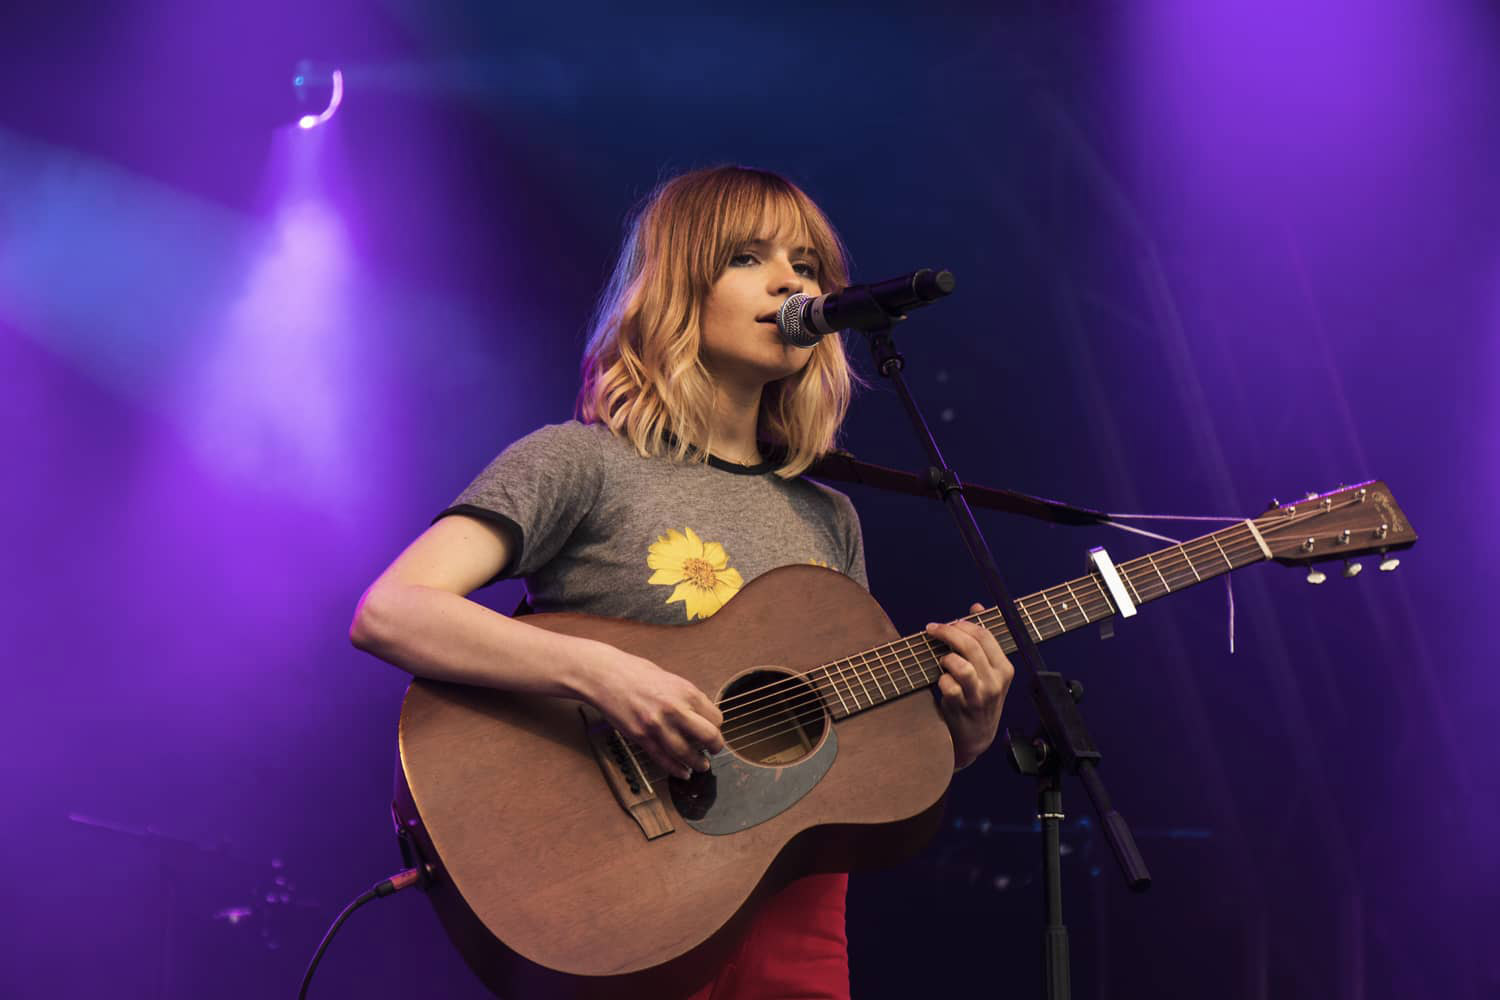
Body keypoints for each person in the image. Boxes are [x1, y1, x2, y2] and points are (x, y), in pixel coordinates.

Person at [349, 164, 1015, 999]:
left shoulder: (829, 517)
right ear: (675, 288)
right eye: (748, 257)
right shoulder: (581, 462)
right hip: (629, 896)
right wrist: (605, 674)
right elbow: (393, 611)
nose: (790, 282)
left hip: (791, 913)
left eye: (807, 267)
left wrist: (967, 732)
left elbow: (855, 758)